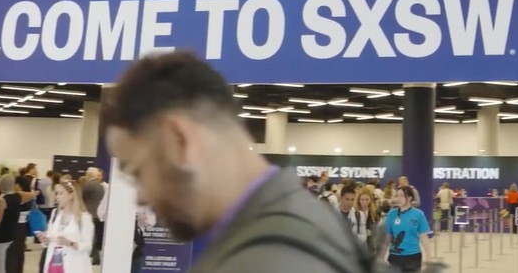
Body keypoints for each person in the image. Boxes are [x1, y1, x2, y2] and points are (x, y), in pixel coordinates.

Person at [102, 50, 367, 272]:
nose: (141, 198)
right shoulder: (307, 223)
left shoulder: (262, 260)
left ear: (180, 140)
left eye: (137, 172)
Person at [35, 180, 94, 273]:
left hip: (74, 265)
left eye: (61, 193)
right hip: (53, 264)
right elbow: (51, 236)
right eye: (56, 193)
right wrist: (45, 240)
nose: (57, 197)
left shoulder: (84, 218)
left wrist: (70, 243)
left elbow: (88, 246)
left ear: (71, 195)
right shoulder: (55, 214)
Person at [381, 185, 432, 272]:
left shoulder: (419, 214)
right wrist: (381, 256)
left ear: (409, 198)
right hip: (395, 256)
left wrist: (428, 256)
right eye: (397, 196)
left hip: (413, 256)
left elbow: (423, 236)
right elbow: (387, 237)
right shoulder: (391, 214)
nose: (398, 198)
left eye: (401, 196)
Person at [0, 175, 22, 273]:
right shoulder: (17, 196)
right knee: (0, 259)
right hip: (10, 233)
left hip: (1, 235)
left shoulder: (3, 200)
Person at [81, 167, 106, 265]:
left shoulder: (88, 185)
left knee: (91, 236)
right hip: (98, 214)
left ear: (88, 175)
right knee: (95, 236)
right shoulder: (100, 186)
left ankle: (94, 256)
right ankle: (96, 256)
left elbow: (81, 198)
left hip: (89, 214)